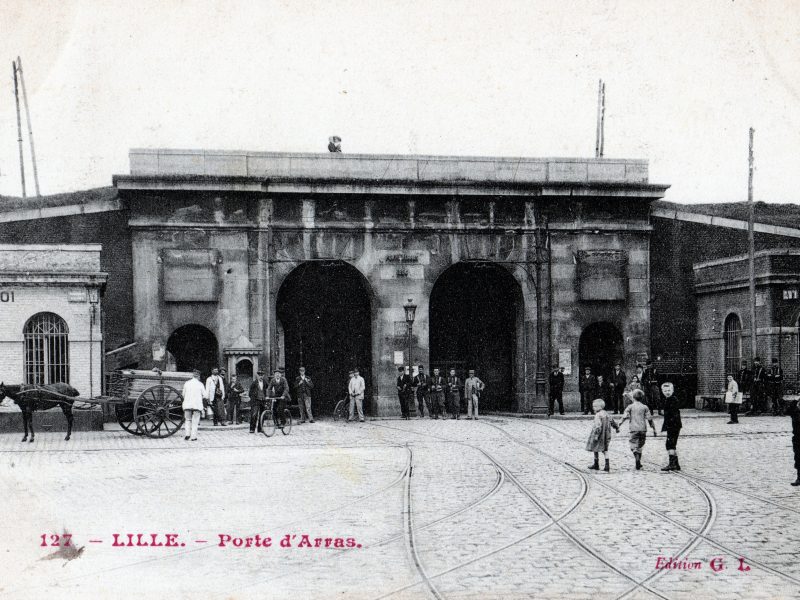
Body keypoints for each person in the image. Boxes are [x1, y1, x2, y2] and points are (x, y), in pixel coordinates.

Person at [619, 389, 658, 470]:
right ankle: (639, 462)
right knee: (640, 445)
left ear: (633, 397)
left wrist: (619, 424)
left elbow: (624, 416)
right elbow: (650, 419)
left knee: (633, 445)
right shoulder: (645, 407)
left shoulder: (630, 407)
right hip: (643, 429)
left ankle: (636, 456)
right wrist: (654, 429)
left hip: (633, 429)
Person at [585, 398, 619, 472]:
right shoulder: (606, 414)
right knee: (605, 449)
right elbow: (612, 421)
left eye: (594, 407)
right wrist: (616, 428)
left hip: (599, 435)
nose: (593, 408)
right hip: (607, 435)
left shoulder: (598, 415)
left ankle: (596, 463)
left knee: (595, 448)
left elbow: (598, 426)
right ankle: (607, 465)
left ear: (599, 407)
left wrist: (596, 435)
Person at [660, 381, 683, 471]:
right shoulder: (669, 400)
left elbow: (671, 415)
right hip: (674, 425)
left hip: (673, 425)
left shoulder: (672, 400)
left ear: (672, 390)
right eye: (665, 391)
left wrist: (667, 426)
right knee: (671, 444)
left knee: (670, 445)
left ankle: (672, 464)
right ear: (662, 391)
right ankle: (676, 464)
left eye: (669, 390)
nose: (667, 392)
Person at [181, 369, 206, 441]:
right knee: (195, 421)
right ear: (198, 376)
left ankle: (187, 435)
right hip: (196, 406)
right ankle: (193, 437)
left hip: (187, 405)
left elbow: (183, 394)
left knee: (188, 420)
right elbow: (205, 395)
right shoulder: (200, 384)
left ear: (193, 375)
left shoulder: (187, 383)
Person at [786, 399, 800, 486]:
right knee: (798, 457)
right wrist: (794, 403)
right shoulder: (795, 408)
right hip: (797, 437)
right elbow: (786, 412)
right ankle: (799, 478)